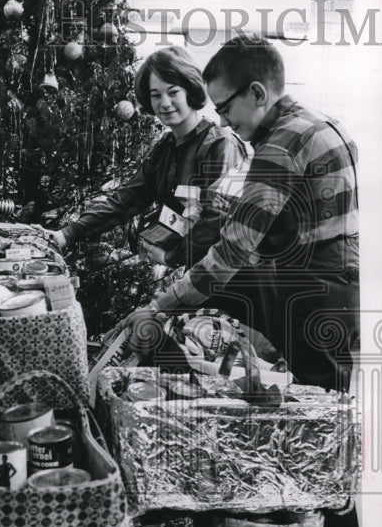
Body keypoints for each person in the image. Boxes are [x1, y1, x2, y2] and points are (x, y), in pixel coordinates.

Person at [119, 33, 359, 395]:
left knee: (315, 413)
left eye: (225, 107)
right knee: (322, 402)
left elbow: (233, 250)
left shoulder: (282, 144)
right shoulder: (323, 123)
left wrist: (158, 306)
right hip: (338, 280)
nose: (224, 121)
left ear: (258, 93)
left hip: (316, 290)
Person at [46, 46, 274, 337]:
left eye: (173, 91)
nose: (164, 103)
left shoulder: (220, 145)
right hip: (198, 280)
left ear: (190, 90)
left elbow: (215, 220)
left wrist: (171, 258)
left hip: (233, 283)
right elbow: (126, 199)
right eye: (156, 95)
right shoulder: (165, 149)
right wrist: (68, 234)